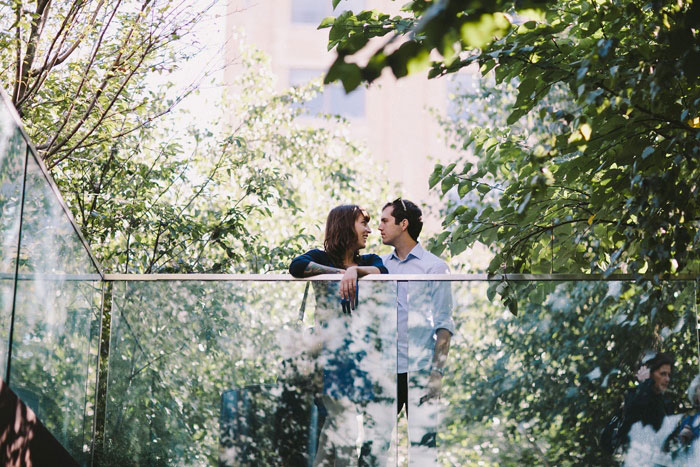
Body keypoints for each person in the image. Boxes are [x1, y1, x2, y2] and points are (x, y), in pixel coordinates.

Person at [289, 204, 388, 466]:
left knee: (336, 427)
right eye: (362, 224)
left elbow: (384, 272)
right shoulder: (322, 259)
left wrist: (355, 271)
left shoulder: (368, 262)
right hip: (327, 358)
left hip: (359, 358)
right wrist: (341, 274)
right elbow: (296, 266)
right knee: (344, 423)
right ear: (345, 226)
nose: (369, 230)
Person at [360, 198, 454, 466]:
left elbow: (444, 325)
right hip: (384, 372)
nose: (378, 227)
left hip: (420, 372)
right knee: (370, 453)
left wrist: (437, 374)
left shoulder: (434, 267)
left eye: (385, 220)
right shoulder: (381, 267)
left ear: (404, 224)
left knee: (424, 455)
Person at [621, 352, 675, 443]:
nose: (667, 379)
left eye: (668, 375)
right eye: (663, 374)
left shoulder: (666, 402)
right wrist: (646, 383)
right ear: (650, 374)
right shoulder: (635, 396)